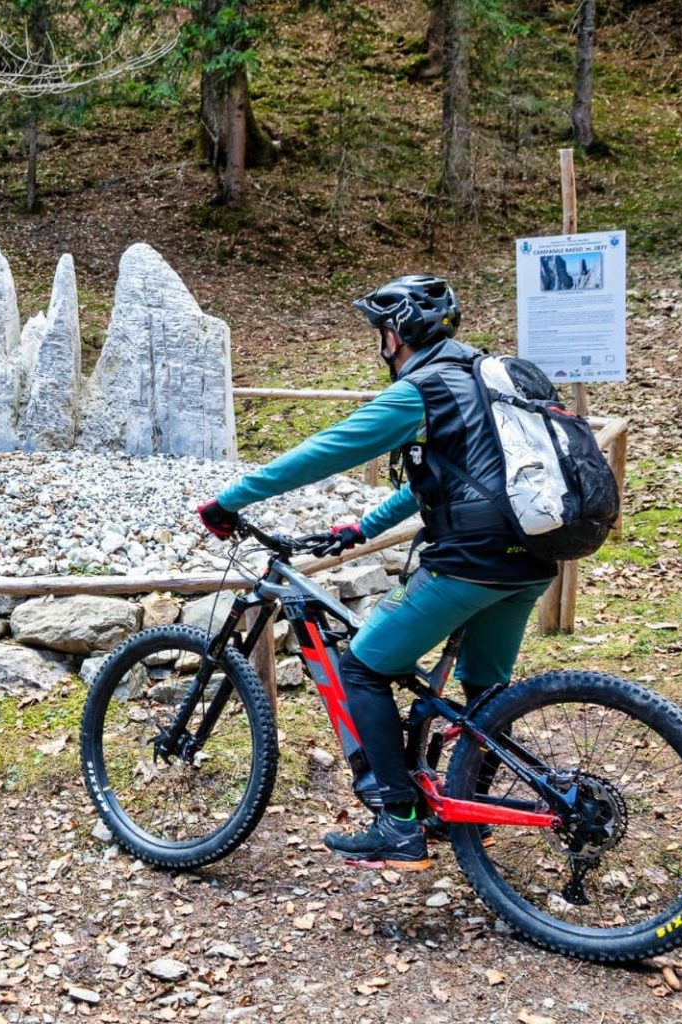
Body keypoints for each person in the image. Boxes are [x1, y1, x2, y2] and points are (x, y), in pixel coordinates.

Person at [198, 275, 556, 871]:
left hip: (470, 562)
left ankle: (399, 822)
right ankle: (474, 809)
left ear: (397, 334)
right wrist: (360, 530)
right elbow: (448, 483)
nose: (380, 344)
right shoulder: (485, 380)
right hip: (531, 559)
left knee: (362, 665)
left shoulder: (423, 388)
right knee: (484, 690)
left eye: (380, 333)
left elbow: (329, 448)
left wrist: (232, 498)